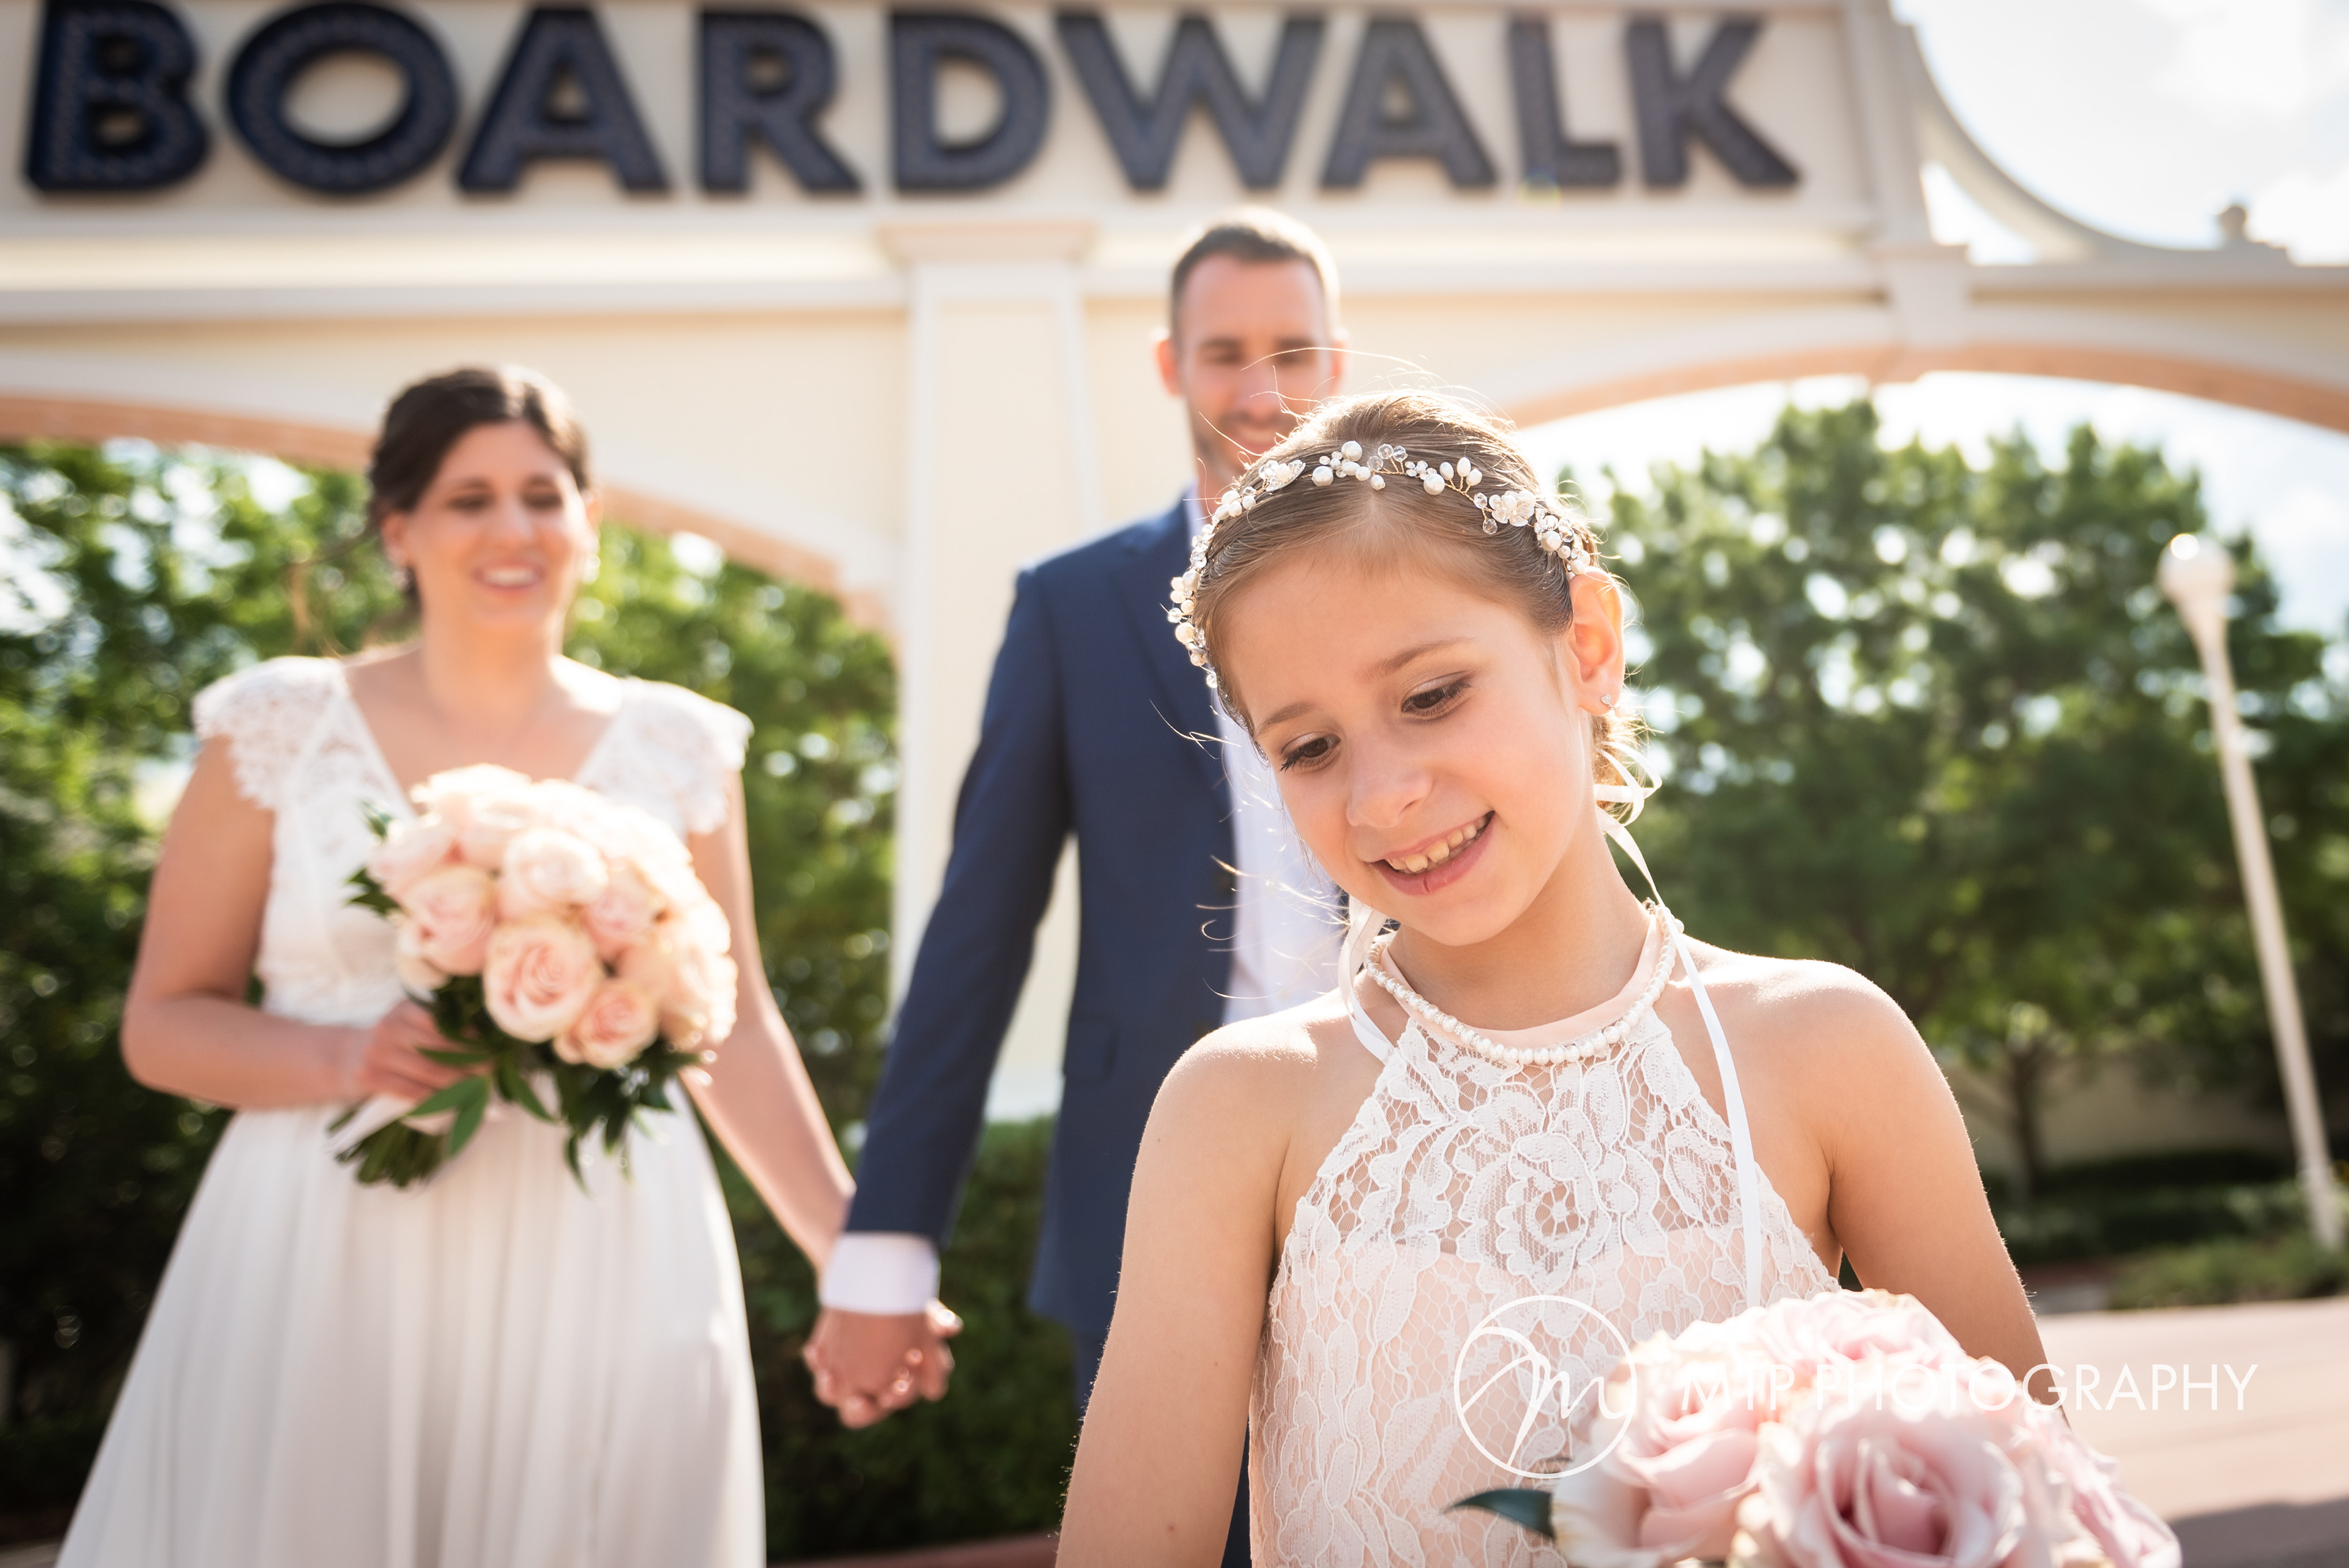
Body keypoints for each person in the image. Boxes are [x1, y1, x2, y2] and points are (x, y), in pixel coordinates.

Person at [1055, 390, 2058, 1565]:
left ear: (1586, 644)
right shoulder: (1239, 1111)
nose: (1382, 796)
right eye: (1310, 747)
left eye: (1431, 696)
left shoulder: (1828, 1049)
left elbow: (2034, 1507)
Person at [58, 366, 883, 1568]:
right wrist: (350, 1052)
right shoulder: (278, 725)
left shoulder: (677, 745)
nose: (514, 530)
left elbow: (734, 1023)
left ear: (589, 524)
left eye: (544, 497)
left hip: (600, 1238)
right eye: (469, 499)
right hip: (324, 1244)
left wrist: (856, 1261)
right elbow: (164, 1023)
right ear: (399, 529)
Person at [803, 210, 1349, 1542]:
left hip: (1417, 1136)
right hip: (1153, 1164)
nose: (1260, 388)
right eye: (1225, 352)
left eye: (1293, 350)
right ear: (1170, 366)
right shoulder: (1070, 603)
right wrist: (885, 1248)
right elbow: (977, 928)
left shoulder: (1430, 575)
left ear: (1342, 362)